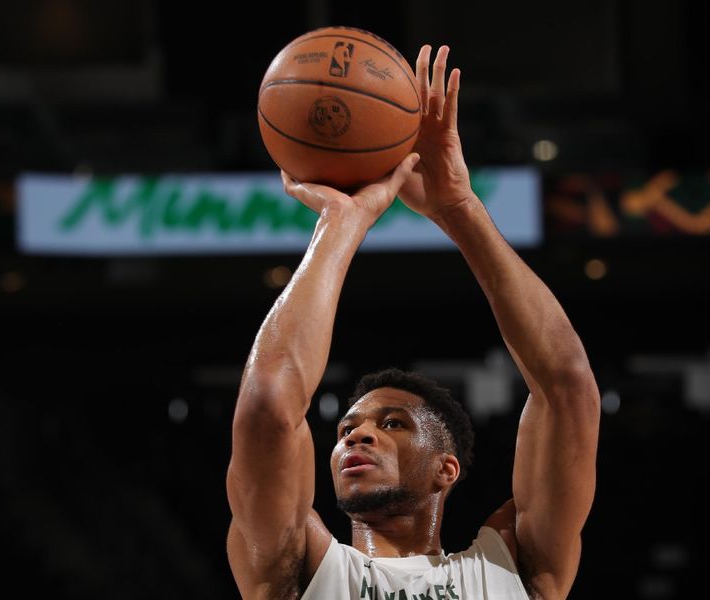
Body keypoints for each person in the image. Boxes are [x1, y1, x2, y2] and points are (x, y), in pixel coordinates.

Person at [226, 44, 600, 600]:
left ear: (445, 470)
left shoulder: (513, 570)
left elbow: (568, 386)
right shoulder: (295, 569)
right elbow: (269, 406)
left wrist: (459, 208)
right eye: (348, 428)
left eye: (394, 423)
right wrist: (342, 222)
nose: (357, 433)